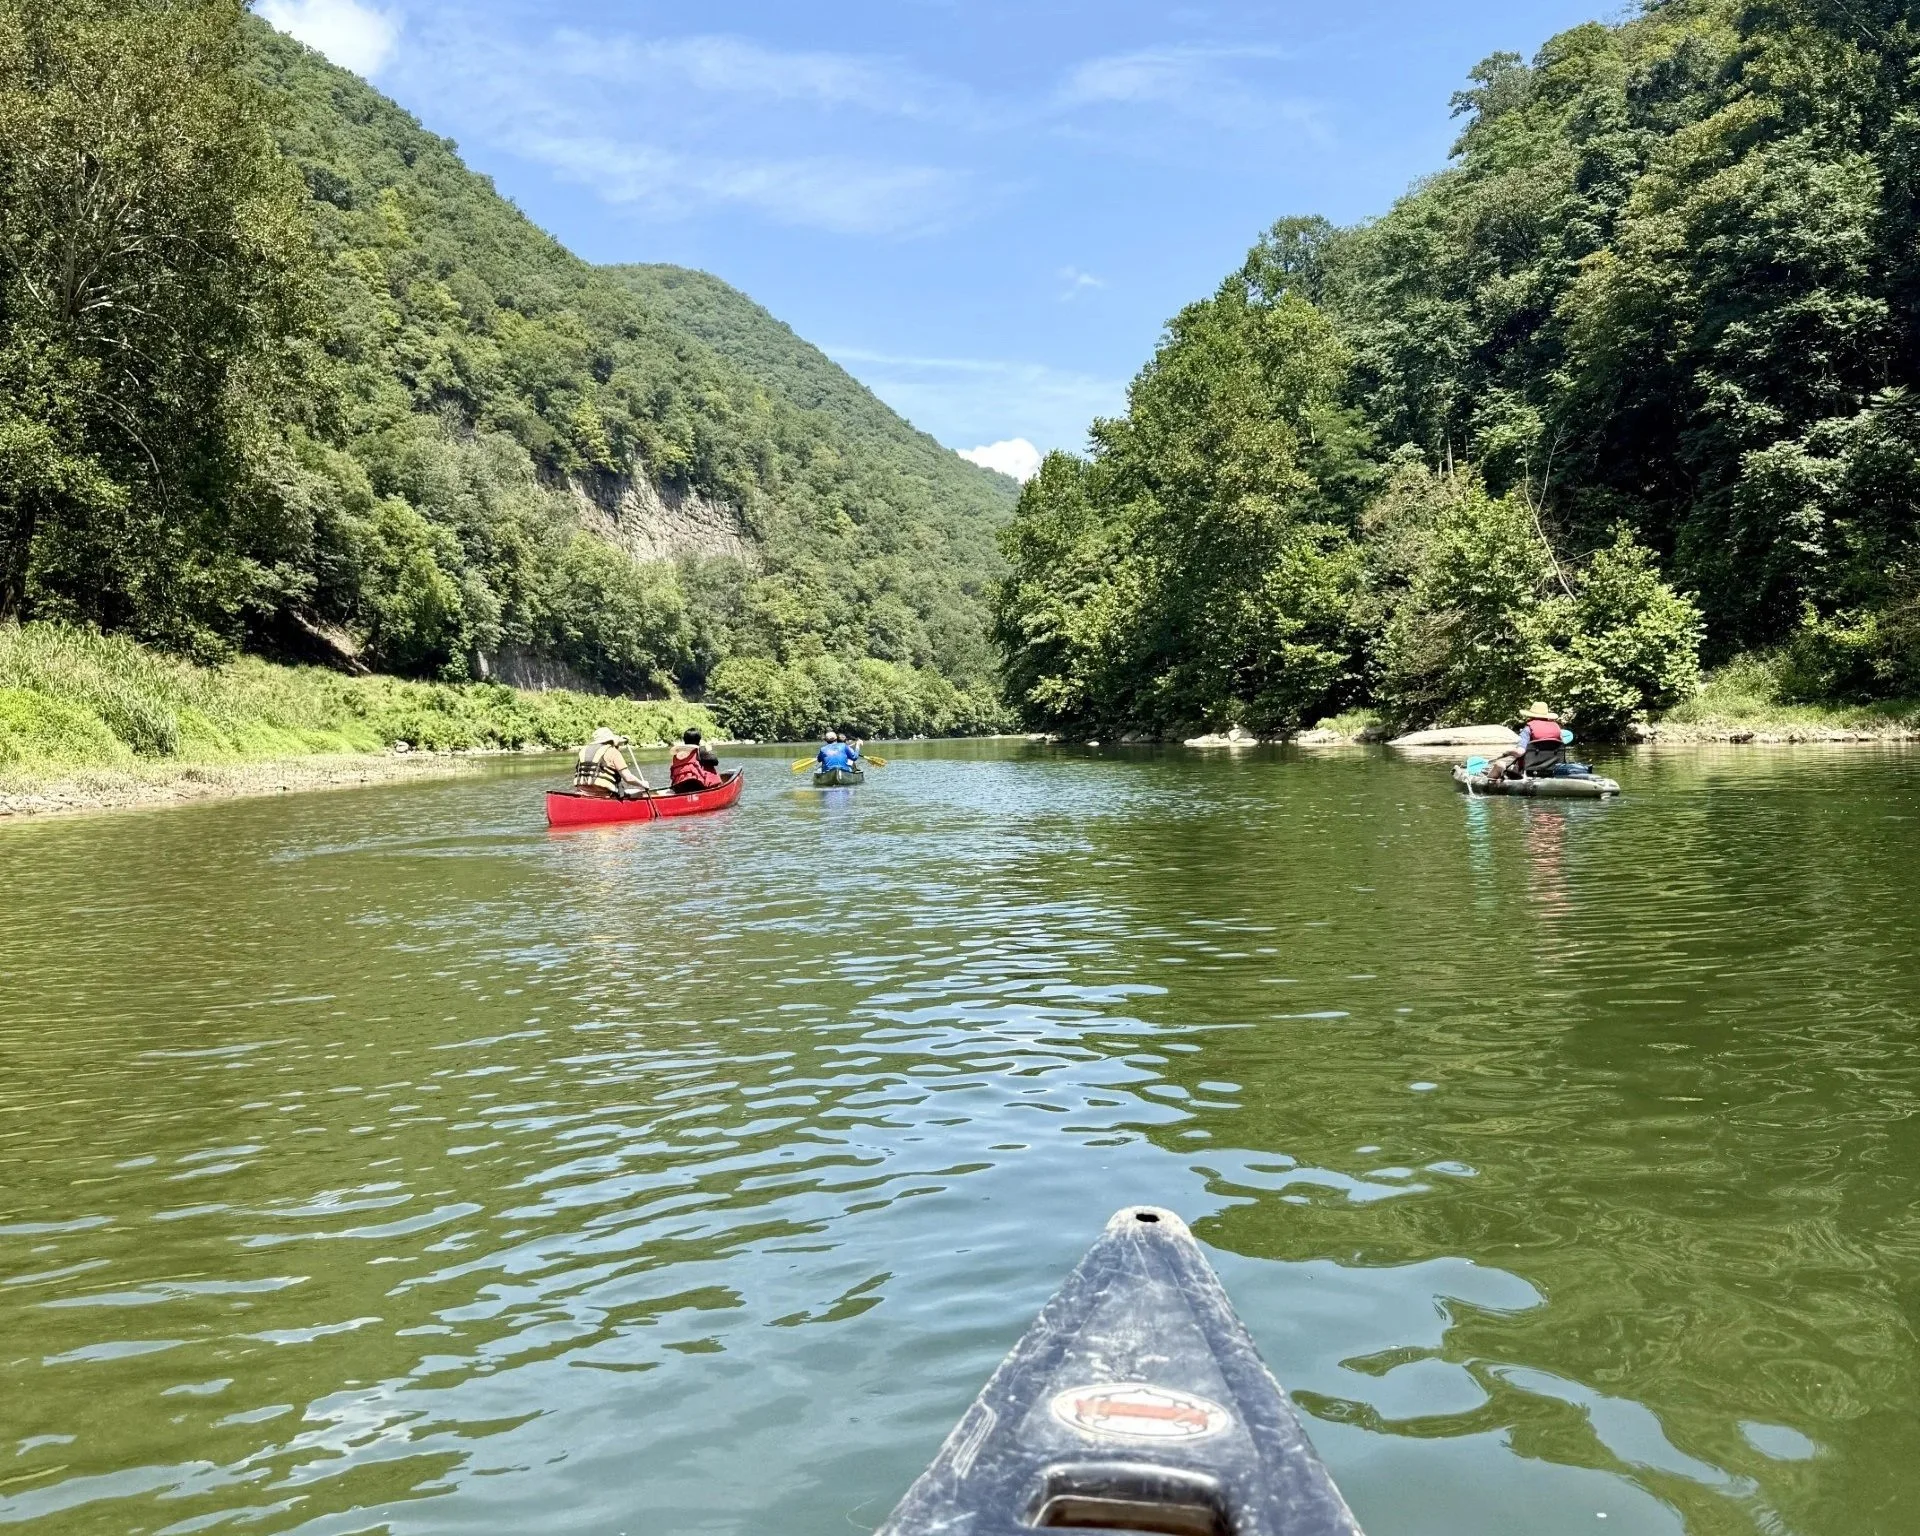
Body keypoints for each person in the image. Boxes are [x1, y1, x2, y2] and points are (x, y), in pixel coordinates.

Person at [1488, 702, 1572, 779]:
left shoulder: (1528, 729)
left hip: (1529, 773)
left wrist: (1508, 752)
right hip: (1552, 771)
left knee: (1499, 764)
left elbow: (1520, 752)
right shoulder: (1557, 728)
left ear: (1531, 716)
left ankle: (1489, 781)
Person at [574, 728, 649, 799]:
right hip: (604, 795)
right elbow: (628, 778)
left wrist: (621, 741)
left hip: (582, 793)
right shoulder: (613, 752)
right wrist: (643, 784)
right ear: (611, 740)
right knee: (638, 793)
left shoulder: (584, 751)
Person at [669, 727, 724, 793]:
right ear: (699, 740)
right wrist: (709, 750)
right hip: (696, 785)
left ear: (684, 740)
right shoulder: (699, 750)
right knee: (708, 765)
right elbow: (715, 762)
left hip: (678, 786)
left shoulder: (677, 754)